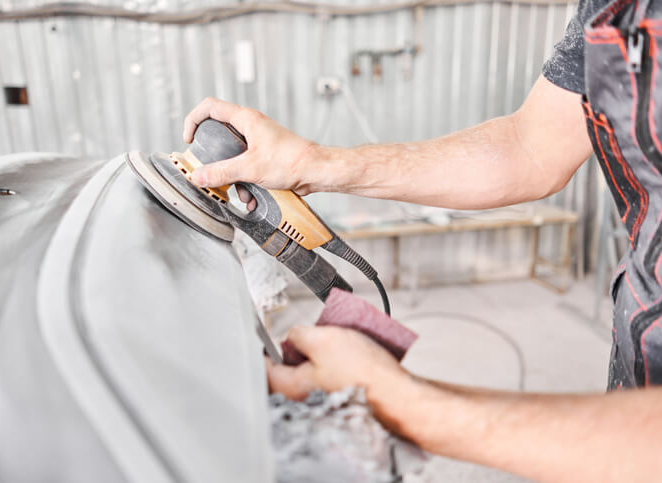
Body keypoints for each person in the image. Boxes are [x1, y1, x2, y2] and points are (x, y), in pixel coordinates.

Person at [183, 0, 662, 479]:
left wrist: (405, 402)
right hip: (636, 364)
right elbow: (530, 149)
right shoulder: (611, 8)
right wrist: (314, 163)